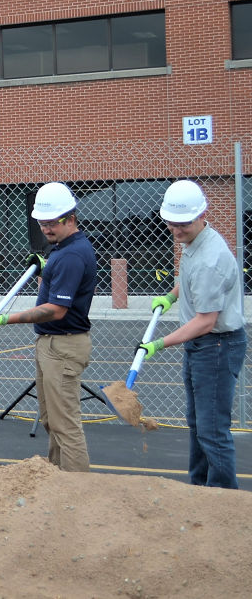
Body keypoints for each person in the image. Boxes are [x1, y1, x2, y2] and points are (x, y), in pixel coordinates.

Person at [138, 180, 246, 489]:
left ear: (202, 215)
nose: (176, 230)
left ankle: (222, 497)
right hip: (203, 345)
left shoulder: (212, 259)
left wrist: (159, 344)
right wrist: (171, 297)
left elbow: (205, 321)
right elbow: (190, 280)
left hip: (217, 346)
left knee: (212, 431)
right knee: (198, 424)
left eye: (182, 224)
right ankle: (198, 491)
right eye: (171, 223)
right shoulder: (195, 242)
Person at [0, 182, 96, 472]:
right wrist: (47, 268)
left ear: (70, 218)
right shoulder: (63, 249)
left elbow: (56, 310)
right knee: (51, 420)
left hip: (63, 345)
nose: (46, 229)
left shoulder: (71, 255)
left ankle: (77, 487)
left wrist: (6, 318)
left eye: (52, 223)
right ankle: (57, 478)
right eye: (42, 223)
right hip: (53, 344)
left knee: (65, 425)